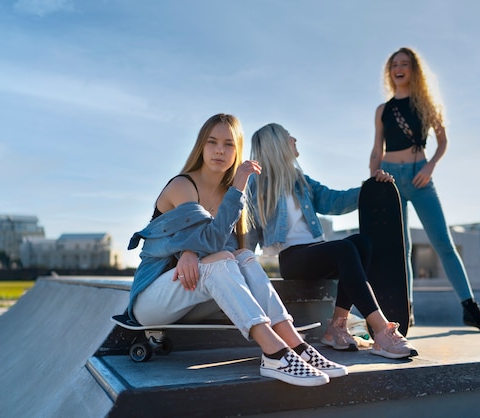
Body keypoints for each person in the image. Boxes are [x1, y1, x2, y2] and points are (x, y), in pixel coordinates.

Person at [126, 113, 347, 387]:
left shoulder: (225, 193)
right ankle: (275, 353)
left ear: (237, 150)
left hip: (194, 298)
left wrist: (192, 250)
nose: (220, 150)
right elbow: (210, 243)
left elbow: (227, 247)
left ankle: (295, 344)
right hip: (152, 303)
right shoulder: (183, 185)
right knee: (220, 258)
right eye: (212, 142)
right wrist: (237, 190)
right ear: (201, 147)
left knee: (243, 256)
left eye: (229, 144)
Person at [247, 123, 418, 359]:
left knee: (362, 243)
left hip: (317, 253)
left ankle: (336, 328)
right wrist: (242, 267)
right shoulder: (256, 184)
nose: (295, 139)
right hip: (292, 259)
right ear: (276, 144)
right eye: (289, 137)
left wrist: (370, 188)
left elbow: (334, 201)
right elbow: (249, 229)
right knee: (346, 248)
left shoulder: (301, 181)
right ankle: (381, 330)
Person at [369, 47, 480, 332]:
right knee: (401, 250)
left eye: (404, 64)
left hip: (420, 177)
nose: (399, 68)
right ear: (389, 72)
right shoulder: (383, 110)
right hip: (390, 179)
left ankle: (470, 308)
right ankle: (406, 311)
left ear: (414, 69)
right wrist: (373, 179)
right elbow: (377, 149)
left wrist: (430, 167)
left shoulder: (426, 104)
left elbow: (442, 142)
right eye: (394, 65)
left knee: (444, 242)